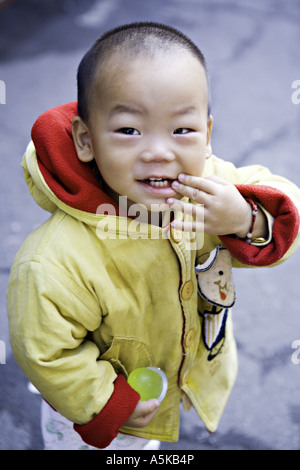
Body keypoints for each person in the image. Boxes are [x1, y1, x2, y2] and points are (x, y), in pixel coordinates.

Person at [6, 22, 300, 450]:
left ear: (208, 136)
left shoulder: (213, 193)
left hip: (180, 371)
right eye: (129, 130)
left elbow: (287, 204)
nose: (159, 151)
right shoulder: (56, 261)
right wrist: (105, 401)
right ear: (86, 140)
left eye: (182, 130)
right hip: (100, 415)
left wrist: (244, 218)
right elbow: (46, 351)